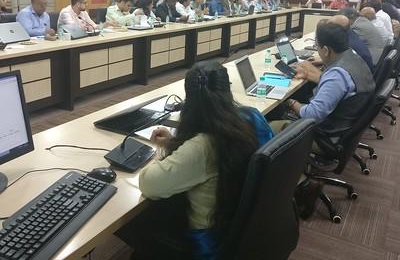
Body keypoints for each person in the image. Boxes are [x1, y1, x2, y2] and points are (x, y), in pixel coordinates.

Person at [117, 61, 274, 259]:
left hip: (209, 243)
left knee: (132, 219)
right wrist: (175, 143)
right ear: (228, 91)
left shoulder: (203, 147)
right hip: (245, 227)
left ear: (189, 101)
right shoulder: (253, 116)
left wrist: (163, 152)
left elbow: (149, 184)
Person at [279, 21, 375, 129]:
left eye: (317, 46)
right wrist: (307, 75)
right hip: (347, 121)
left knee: (273, 117)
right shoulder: (353, 56)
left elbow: (311, 115)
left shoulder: (338, 74)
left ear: (325, 50)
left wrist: (290, 102)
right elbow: (337, 87)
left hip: (325, 131)